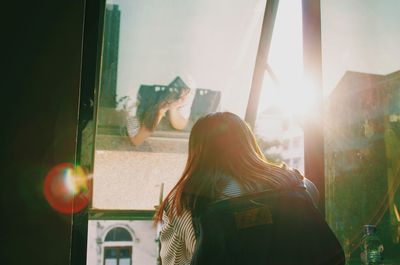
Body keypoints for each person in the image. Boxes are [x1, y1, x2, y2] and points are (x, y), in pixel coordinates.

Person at [154, 112, 321, 265]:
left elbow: (174, 261)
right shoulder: (296, 183)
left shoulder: (184, 201)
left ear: (197, 150)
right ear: (248, 143)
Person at [127, 86, 194, 146]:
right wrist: (161, 110)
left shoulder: (186, 83)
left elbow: (180, 125)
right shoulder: (135, 88)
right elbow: (136, 140)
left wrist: (173, 106)